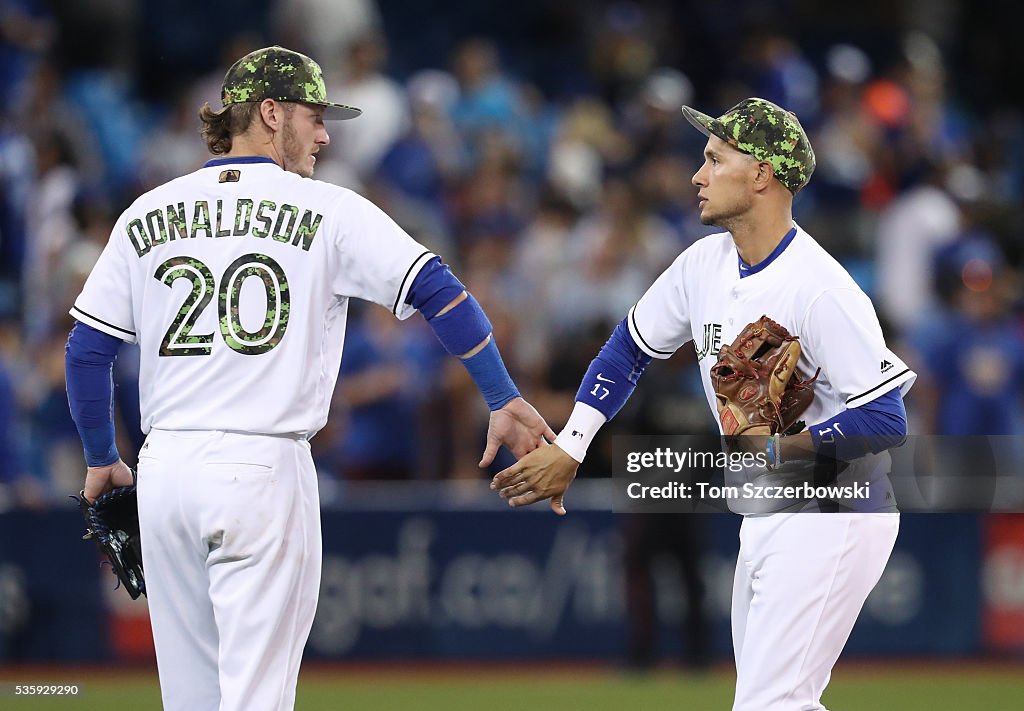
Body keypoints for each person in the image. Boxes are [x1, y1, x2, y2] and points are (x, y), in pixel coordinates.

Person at [64, 46, 554, 711]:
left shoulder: (147, 214)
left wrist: (101, 458)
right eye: (313, 116)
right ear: (270, 113)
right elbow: (438, 288)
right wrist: (500, 394)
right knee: (258, 699)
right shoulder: (326, 209)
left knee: (191, 701)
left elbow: (86, 350)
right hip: (260, 467)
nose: (324, 134)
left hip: (165, 469)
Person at [492, 98, 916, 710]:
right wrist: (572, 444)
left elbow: (885, 418)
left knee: (771, 704)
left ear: (762, 175)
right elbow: (626, 350)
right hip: (771, 506)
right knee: (776, 702)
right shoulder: (703, 264)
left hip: (838, 506)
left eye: (716, 160)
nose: (698, 175)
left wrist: (776, 450)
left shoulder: (820, 288)